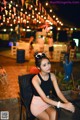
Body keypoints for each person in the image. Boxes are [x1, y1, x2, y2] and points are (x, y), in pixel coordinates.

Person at [30, 52, 75, 120]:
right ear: (38, 67)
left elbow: (58, 92)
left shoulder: (52, 76)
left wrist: (67, 103)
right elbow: (44, 98)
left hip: (47, 103)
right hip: (37, 105)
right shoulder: (35, 80)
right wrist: (63, 106)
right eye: (44, 65)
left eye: (48, 63)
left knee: (54, 114)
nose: (48, 66)